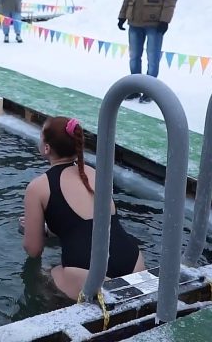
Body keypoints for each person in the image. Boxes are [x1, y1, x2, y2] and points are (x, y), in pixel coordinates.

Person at [22, 117, 145, 301]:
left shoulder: (38, 187)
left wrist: (33, 230)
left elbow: (33, 250)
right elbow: (84, 222)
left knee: (43, 277)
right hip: (134, 262)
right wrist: (49, 229)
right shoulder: (95, 173)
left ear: (46, 148)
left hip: (89, 275)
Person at [118, 0, 178, 103]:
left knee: (153, 57)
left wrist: (165, 20)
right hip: (134, 21)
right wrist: (122, 15)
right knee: (134, 57)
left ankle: (150, 91)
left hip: (154, 22)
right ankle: (135, 88)